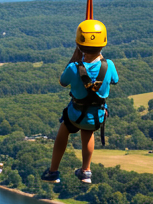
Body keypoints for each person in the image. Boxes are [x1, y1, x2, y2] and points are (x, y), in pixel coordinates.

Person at [43, 19, 118, 184]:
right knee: (88, 131)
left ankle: (53, 171)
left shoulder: (73, 68)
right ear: (103, 44)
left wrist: (74, 59)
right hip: (96, 116)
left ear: (79, 44)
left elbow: (63, 82)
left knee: (64, 129)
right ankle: (86, 171)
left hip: (75, 114)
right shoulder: (109, 65)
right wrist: (101, 59)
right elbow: (114, 80)